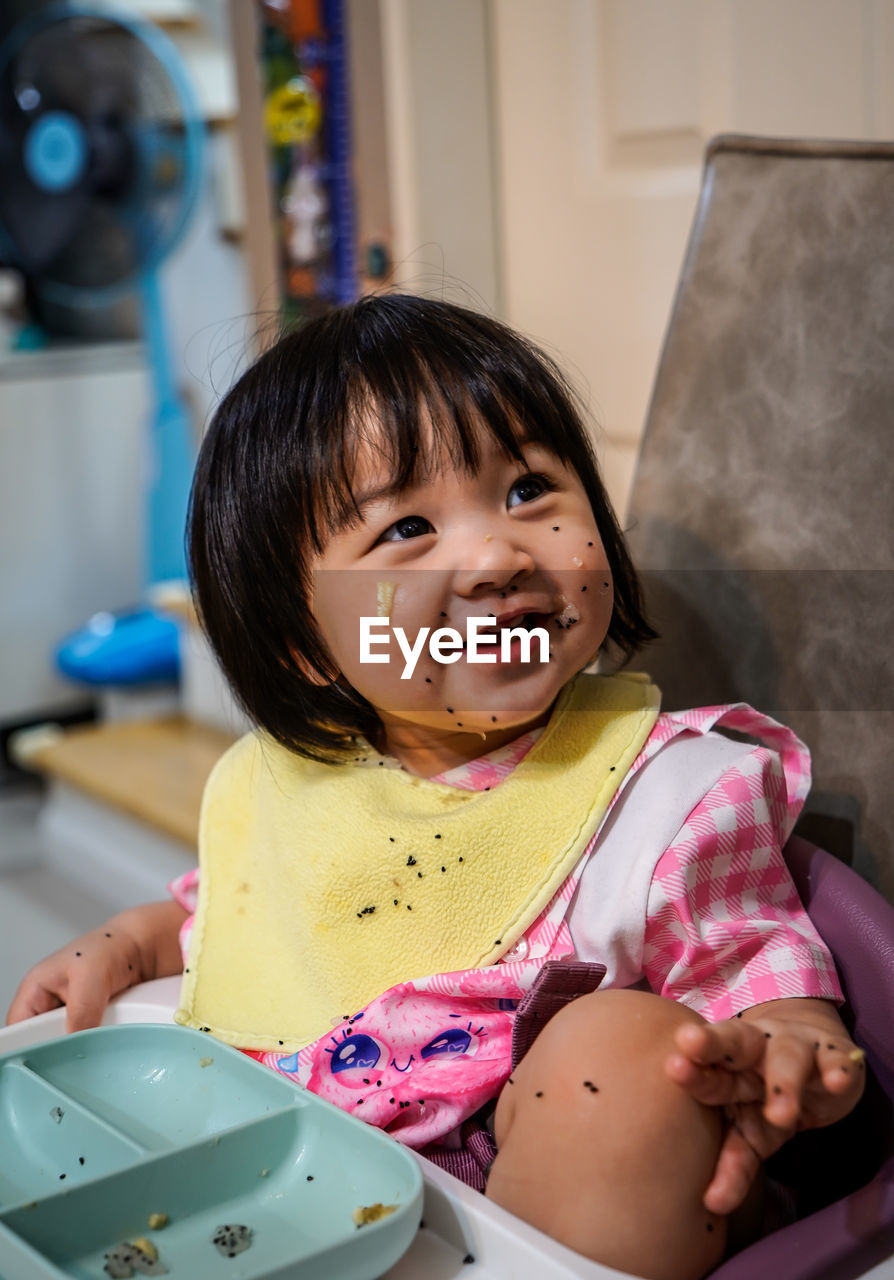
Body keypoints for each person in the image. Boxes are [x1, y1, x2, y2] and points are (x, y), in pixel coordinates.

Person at [8, 295, 864, 1280]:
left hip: (556, 1218)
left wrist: (793, 1050)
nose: (500, 554)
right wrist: (121, 945)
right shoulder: (297, 787)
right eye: (407, 525)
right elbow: (233, 926)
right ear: (307, 644)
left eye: (529, 487)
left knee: (618, 1059)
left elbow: (762, 976)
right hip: (319, 1208)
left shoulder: (665, 794)